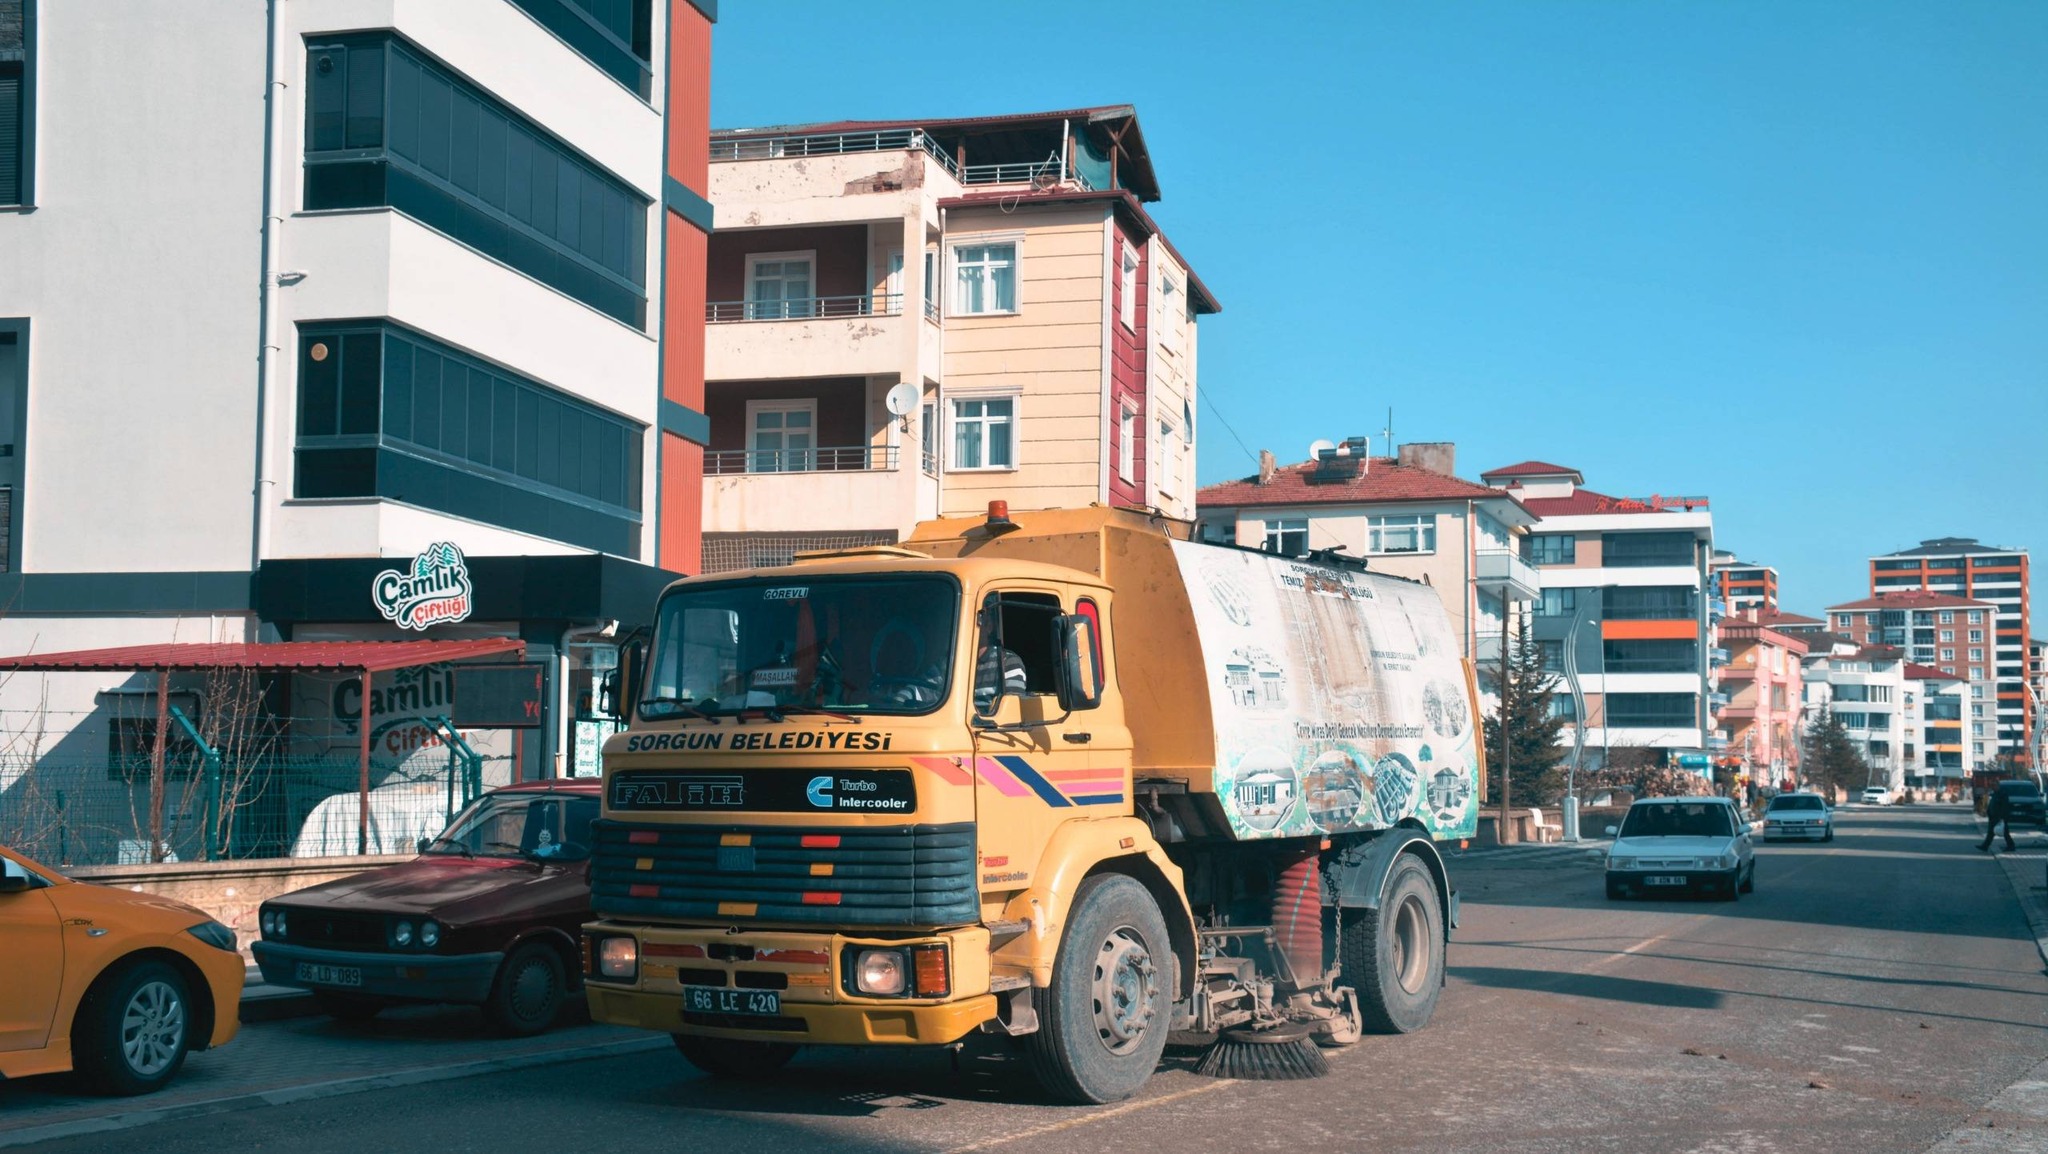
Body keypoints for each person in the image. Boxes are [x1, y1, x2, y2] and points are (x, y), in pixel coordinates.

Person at [1978, 784, 2016, 853]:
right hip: (1993, 816)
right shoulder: (1995, 794)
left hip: (1999, 817)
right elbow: (1992, 804)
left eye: (1994, 786)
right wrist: (1988, 812)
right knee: (1991, 833)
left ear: (1998, 786)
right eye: (1992, 786)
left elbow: (2004, 807)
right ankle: (1985, 846)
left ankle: (2011, 846)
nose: (1993, 788)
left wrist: (2002, 817)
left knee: (2005, 832)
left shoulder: (2002, 795)